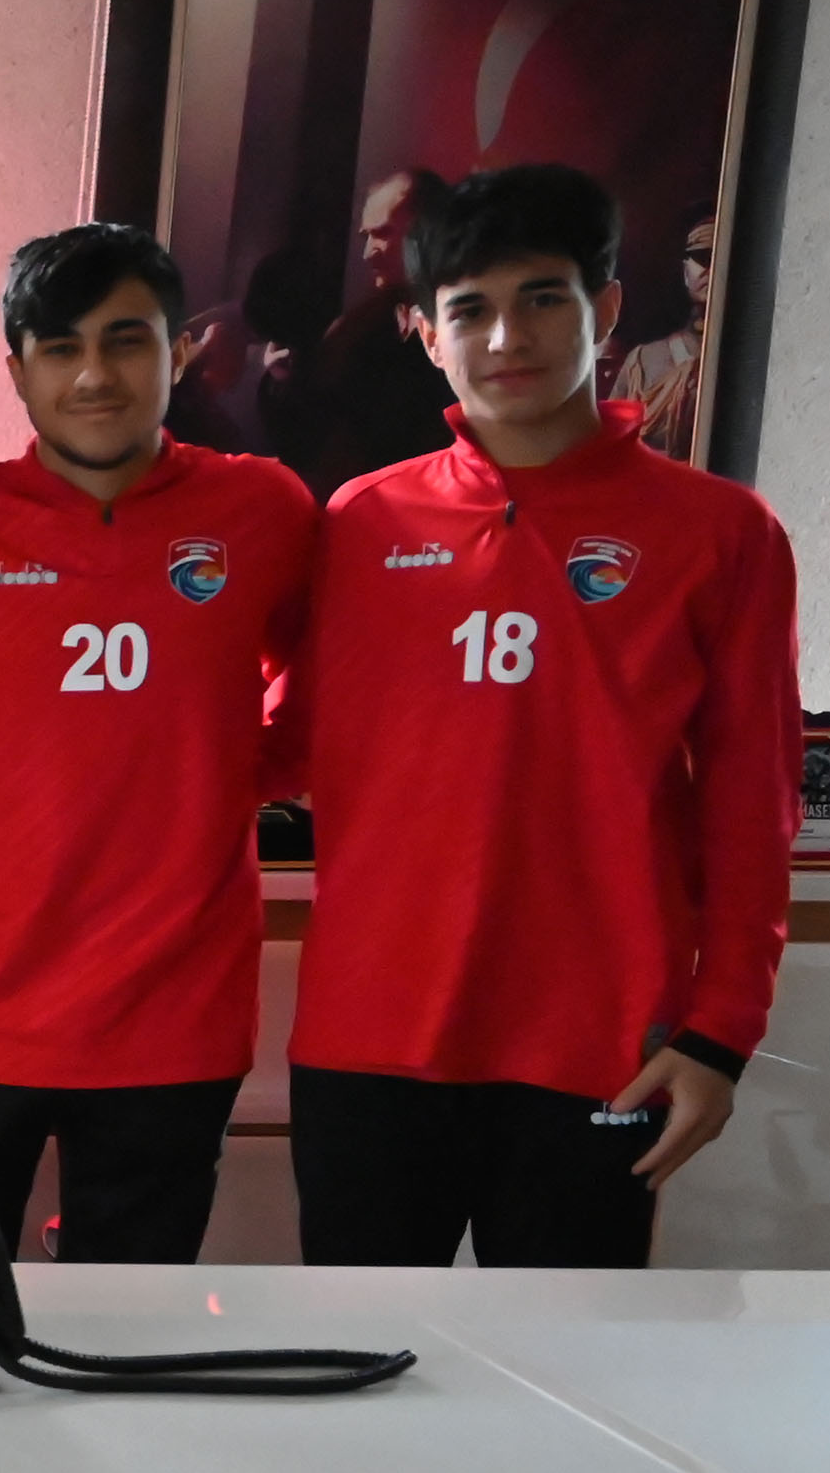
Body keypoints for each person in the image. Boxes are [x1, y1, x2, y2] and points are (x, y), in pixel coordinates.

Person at [288, 163, 798, 1266]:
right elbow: (279, 745)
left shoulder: (722, 533)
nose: (505, 337)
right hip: (371, 1038)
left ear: (605, 308)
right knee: (362, 1360)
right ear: (427, 332)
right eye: (470, 309)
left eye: (542, 299)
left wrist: (722, 1034)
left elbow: (753, 807)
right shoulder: (360, 523)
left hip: (602, 1043)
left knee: (569, 1366)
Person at [0, 223, 316, 1263]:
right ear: (17, 371)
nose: (94, 376)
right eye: (60, 347)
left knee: (129, 1326)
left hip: (173, 1017)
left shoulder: (262, 508)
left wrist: (232, 770)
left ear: (179, 350)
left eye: (126, 340)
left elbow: (328, 693)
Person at [264, 168, 462, 501]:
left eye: (382, 233)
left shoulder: (468, 326)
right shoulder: (360, 326)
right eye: (366, 236)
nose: (369, 252)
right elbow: (316, 428)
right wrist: (283, 381)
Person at [606, 208, 721, 462]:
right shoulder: (643, 361)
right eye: (702, 257)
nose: (711, 268)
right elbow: (609, 447)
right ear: (684, 270)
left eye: (719, 258)